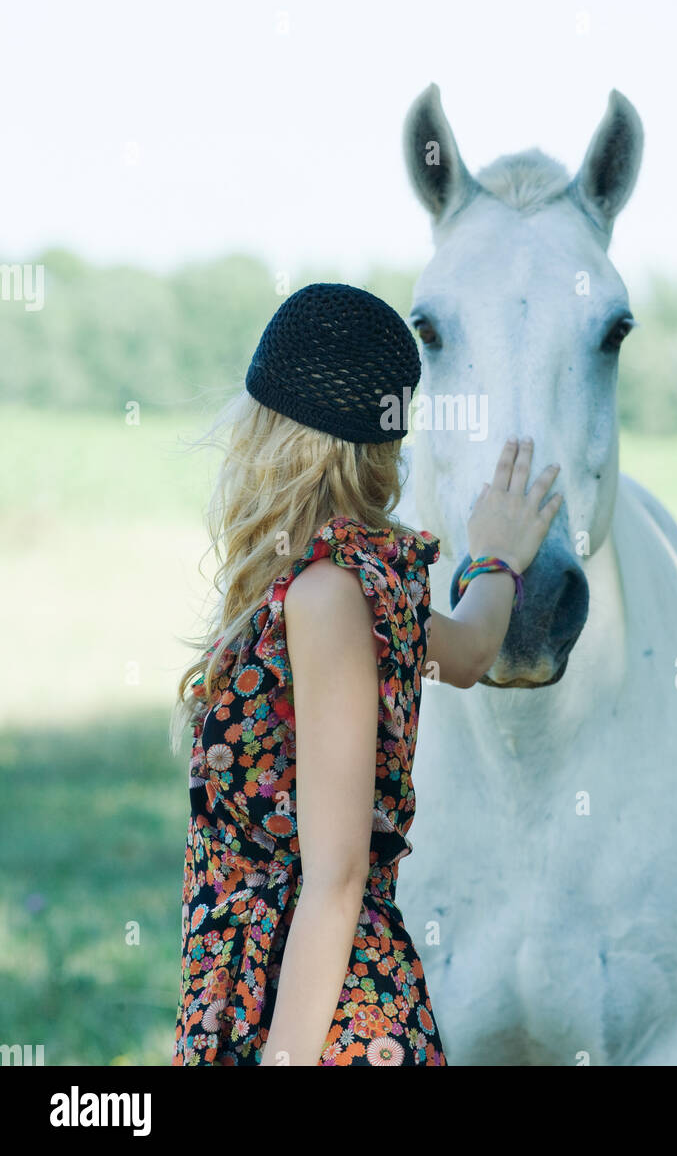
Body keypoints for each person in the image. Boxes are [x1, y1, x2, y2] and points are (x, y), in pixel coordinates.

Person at [170, 281, 562, 1066]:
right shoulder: (364, 577)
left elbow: (339, 876)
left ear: (268, 432)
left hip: (312, 1014)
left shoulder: (325, 596)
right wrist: (494, 557)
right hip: (284, 990)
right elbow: (473, 651)